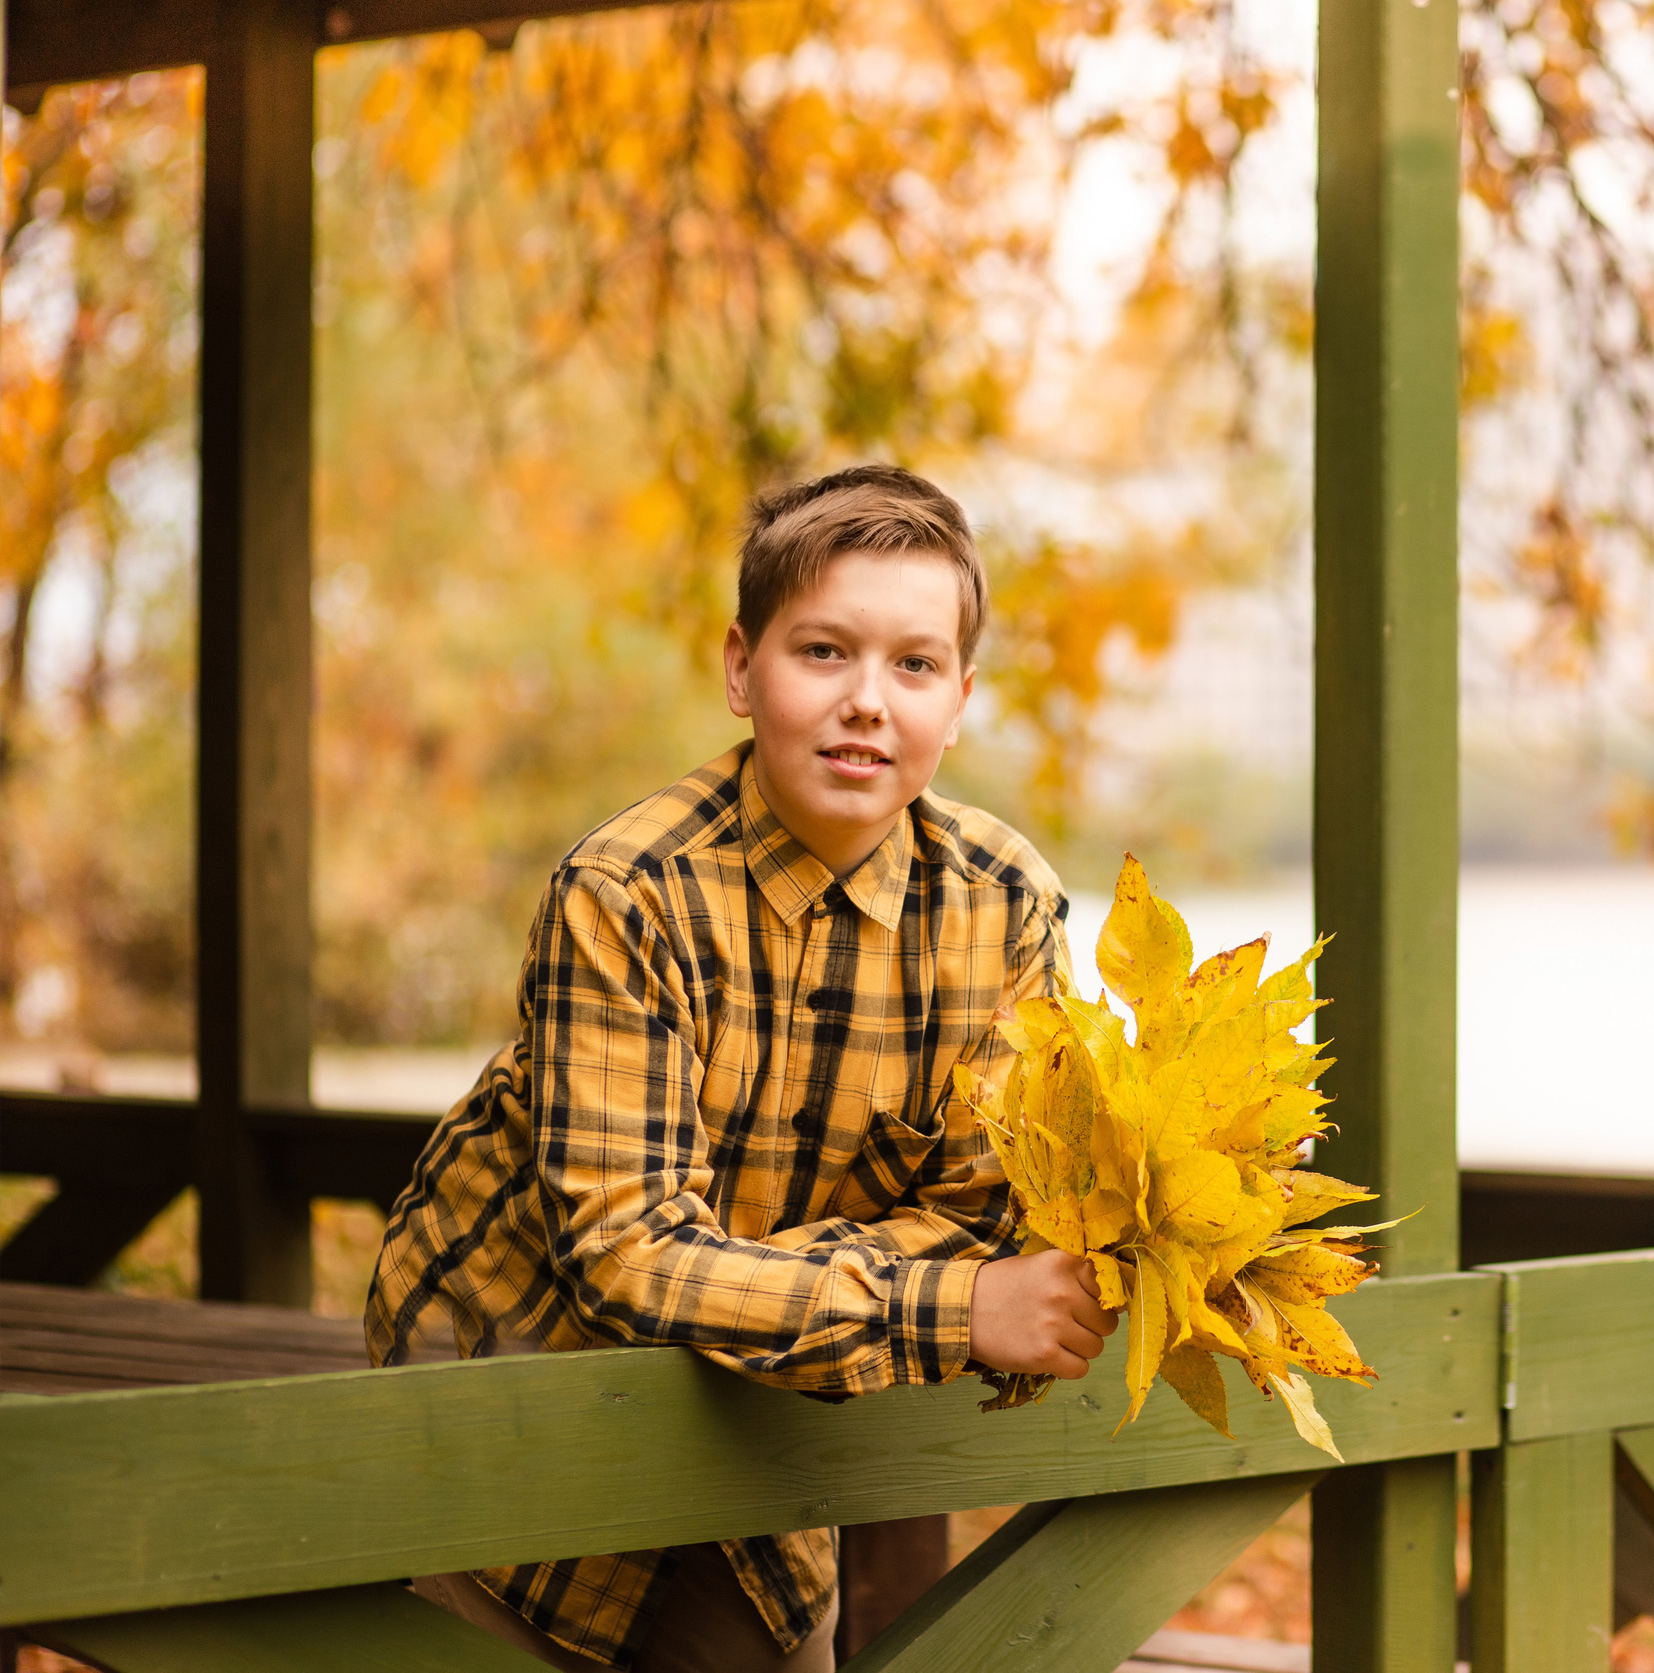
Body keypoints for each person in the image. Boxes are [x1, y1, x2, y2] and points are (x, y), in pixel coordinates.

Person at [366, 464, 1117, 1673]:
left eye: (914, 666)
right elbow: (626, 1255)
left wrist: (765, 1281)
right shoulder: (627, 894)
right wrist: (950, 1307)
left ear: (961, 701)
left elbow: (983, 1209)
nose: (868, 702)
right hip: (505, 1402)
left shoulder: (1003, 906)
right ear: (740, 669)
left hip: (764, 1430)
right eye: (824, 652)